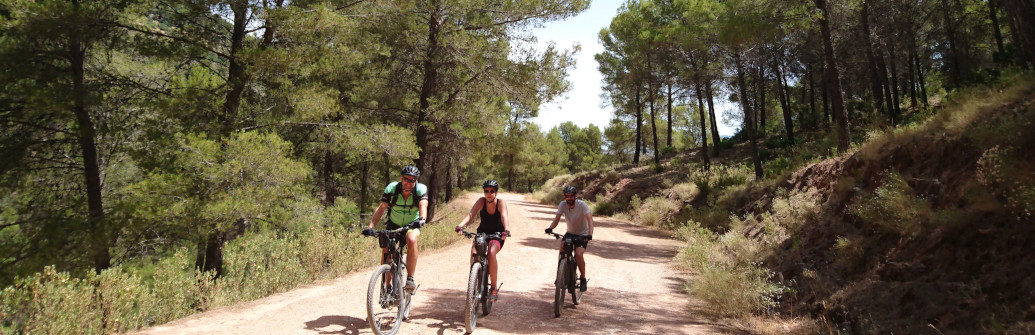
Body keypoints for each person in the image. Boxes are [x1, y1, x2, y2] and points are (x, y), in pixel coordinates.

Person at [363, 165, 428, 293]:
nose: (408, 182)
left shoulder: (421, 189)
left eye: (412, 180)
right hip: (393, 224)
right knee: (386, 251)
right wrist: (371, 226)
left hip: (412, 224)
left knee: (412, 239)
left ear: (416, 180)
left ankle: (410, 278)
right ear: (401, 178)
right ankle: (387, 286)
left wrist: (422, 219)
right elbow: (382, 207)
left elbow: (423, 205)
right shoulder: (392, 188)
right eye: (406, 179)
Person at [455, 180, 511, 301]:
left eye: (492, 191)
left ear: (496, 192)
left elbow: (504, 216)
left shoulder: (501, 203)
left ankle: (494, 288)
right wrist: (460, 226)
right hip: (483, 233)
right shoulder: (481, 201)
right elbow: (471, 214)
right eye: (486, 191)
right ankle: (474, 279)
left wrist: (506, 230)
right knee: (474, 251)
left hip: (497, 235)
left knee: (491, 253)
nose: (489, 193)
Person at [545, 185, 594, 292]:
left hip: (583, 234)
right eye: (567, 196)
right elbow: (556, 219)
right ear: (564, 197)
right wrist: (550, 228)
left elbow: (590, 220)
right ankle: (560, 276)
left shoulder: (582, 205)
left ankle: (583, 278)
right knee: (562, 249)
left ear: (575, 196)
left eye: (571, 196)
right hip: (570, 233)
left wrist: (589, 234)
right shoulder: (562, 205)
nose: (569, 198)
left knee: (578, 254)